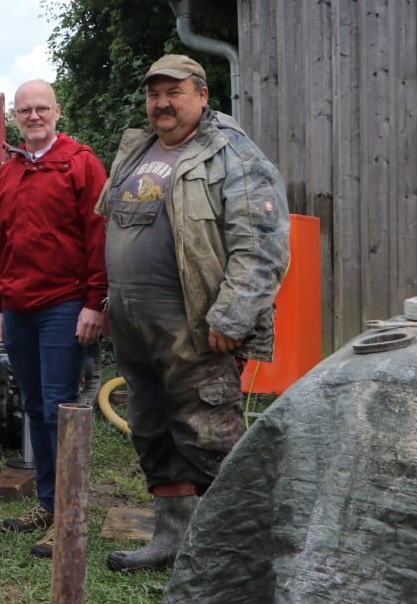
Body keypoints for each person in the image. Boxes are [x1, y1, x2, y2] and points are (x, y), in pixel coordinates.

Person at [97, 54, 289, 572]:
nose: (162, 103)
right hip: (136, 326)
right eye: (154, 93)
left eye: (174, 92)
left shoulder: (232, 156)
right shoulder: (139, 150)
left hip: (197, 326)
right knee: (154, 431)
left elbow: (262, 246)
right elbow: (111, 230)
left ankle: (245, 553)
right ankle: (172, 540)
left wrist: (231, 317)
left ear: (202, 96)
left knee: (211, 437)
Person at [0, 79, 107, 558]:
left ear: (58, 111)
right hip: (18, 309)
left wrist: (95, 302)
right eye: (24, 110)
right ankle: (47, 503)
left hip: (64, 305)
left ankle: (69, 516)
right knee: (34, 406)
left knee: (60, 408)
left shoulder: (81, 164)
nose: (33, 117)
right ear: (15, 117)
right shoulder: (8, 172)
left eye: (41, 108)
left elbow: (99, 234)